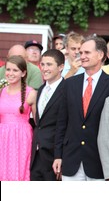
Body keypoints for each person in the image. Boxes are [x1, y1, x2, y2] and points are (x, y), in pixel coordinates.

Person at [53, 35, 109, 181]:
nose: (82, 56)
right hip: (71, 160)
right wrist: (58, 155)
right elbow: (62, 122)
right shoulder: (70, 84)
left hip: (100, 163)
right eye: (81, 53)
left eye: (87, 53)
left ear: (100, 55)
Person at [30, 49, 65, 181]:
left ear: (61, 67)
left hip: (55, 157)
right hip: (37, 154)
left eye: (49, 64)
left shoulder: (67, 89)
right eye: (42, 64)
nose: (44, 68)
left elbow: (66, 126)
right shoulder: (40, 90)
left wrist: (59, 156)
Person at [0, 55, 37, 180]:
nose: (10, 73)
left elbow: (38, 121)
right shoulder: (1, 91)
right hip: (2, 137)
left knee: (19, 171)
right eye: (8, 69)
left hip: (21, 138)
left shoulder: (30, 93)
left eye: (15, 70)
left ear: (23, 73)